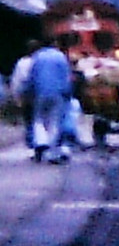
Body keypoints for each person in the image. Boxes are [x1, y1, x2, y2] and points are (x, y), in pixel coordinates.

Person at [28, 36, 75, 164]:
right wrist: (68, 93)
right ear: (55, 44)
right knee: (54, 122)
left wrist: (29, 92)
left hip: (40, 93)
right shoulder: (61, 57)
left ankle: (40, 142)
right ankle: (52, 152)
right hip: (58, 94)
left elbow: (31, 76)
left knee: (38, 120)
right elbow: (67, 77)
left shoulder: (37, 57)